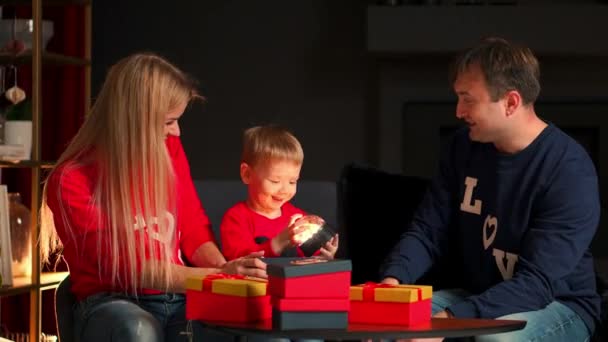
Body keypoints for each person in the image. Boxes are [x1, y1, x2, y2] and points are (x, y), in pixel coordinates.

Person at [380, 37, 601, 341]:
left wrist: (449, 320)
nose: (458, 111)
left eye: (468, 99)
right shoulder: (462, 147)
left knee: (497, 339)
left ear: (511, 102)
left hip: (558, 305)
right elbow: (428, 230)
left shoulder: (569, 168)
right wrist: (392, 283)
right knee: (386, 323)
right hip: (477, 293)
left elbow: (537, 284)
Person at [40, 53, 267, 342]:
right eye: (169, 121)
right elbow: (128, 268)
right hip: (110, 303)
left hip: (176, 295)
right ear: (134, 121)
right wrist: (216, 278)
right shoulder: (71, 179)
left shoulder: (169, 148)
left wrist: (226, 271)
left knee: (246, 328)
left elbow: (193, 228)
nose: (177, 131)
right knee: (138, 330)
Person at [220, 125, 339, 260]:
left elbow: (309, 261)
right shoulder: (236, 219)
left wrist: (325, 255)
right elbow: (238, 263)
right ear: (247, 174)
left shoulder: (298, 220)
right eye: (275, 181)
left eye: (292, 182)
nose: (284, 190)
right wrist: (278, 243)